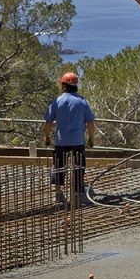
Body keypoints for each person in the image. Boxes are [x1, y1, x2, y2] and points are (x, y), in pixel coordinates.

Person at [44, 72, 96, 204]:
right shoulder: (82, 102)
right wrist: (91, 137)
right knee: (78, 167)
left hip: (61, 141)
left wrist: (47, 136)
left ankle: (58, 194)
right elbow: (90, 122)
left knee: (59, 167)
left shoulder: (57, 101)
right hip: (78, 141)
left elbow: (48, 121)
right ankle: (78, 195)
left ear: (63, 85)